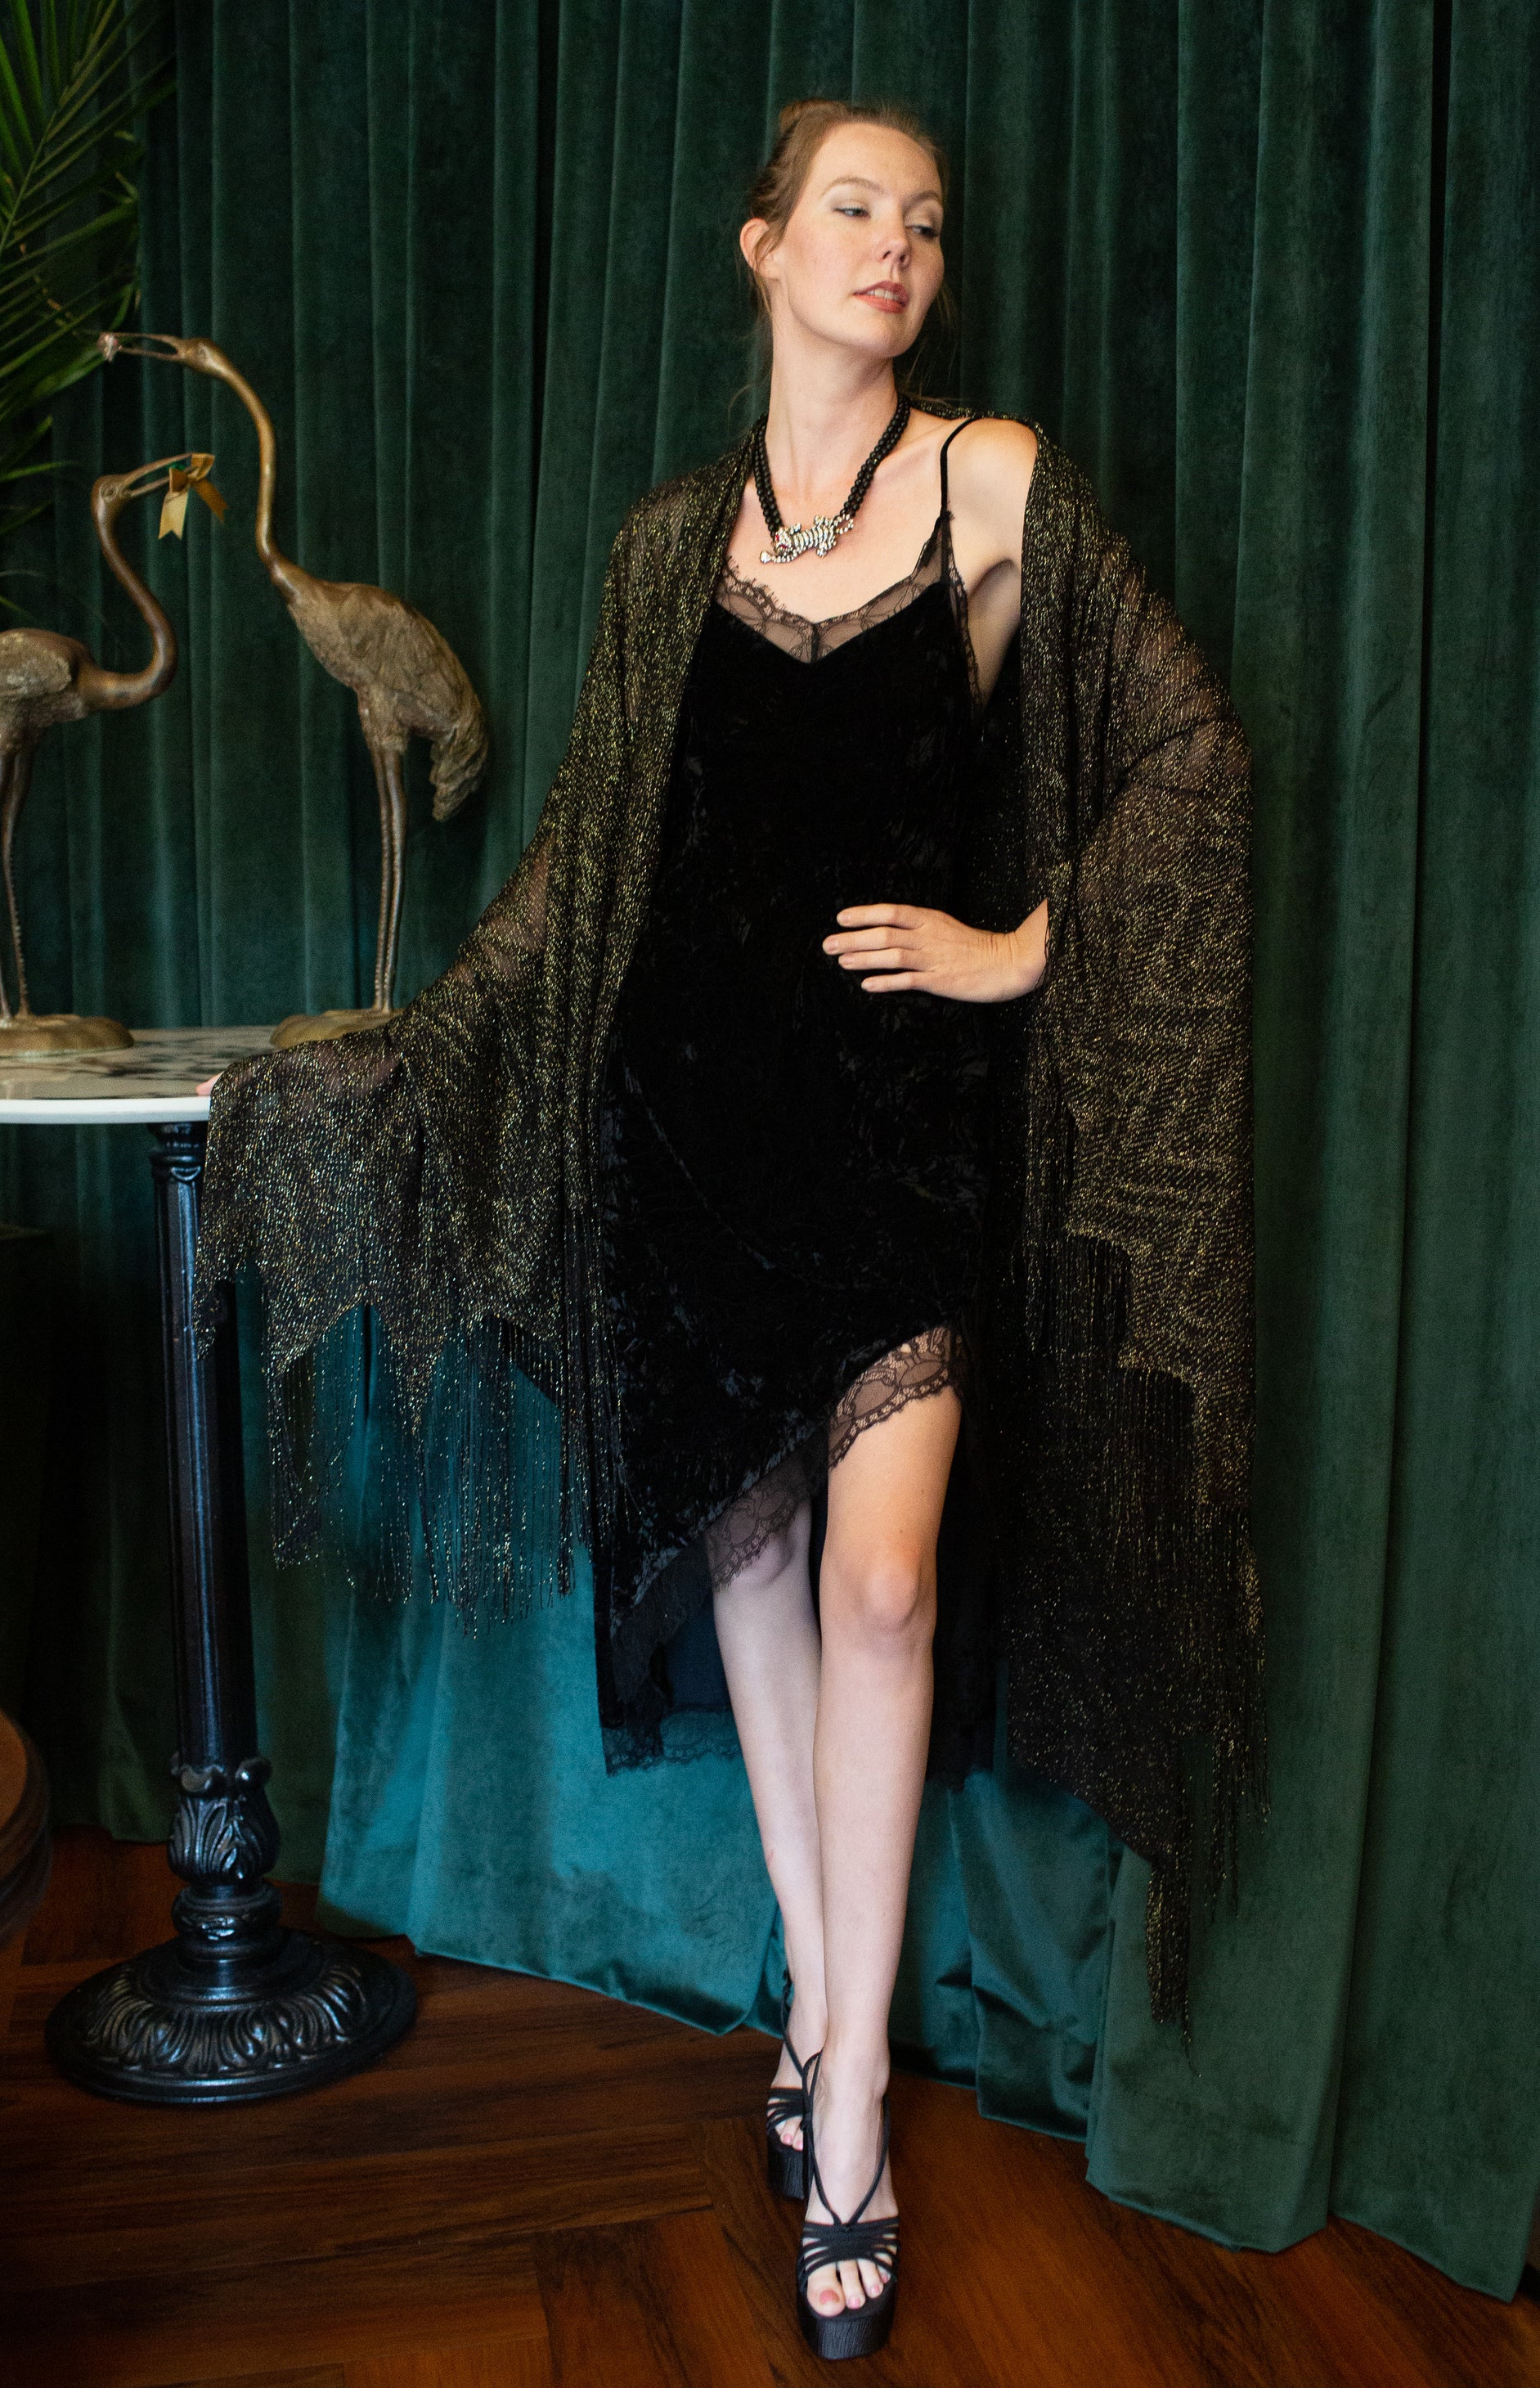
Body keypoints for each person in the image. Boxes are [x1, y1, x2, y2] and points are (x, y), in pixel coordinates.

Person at [197, 98, 1260, 2365]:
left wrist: (1022, 946)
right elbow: (584, 872)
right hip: (685, 1140)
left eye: (925, 223)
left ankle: (844, 2087)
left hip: (900, 1145)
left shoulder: (992, 487)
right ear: (763, 246)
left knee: (883, 1581)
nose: (896, 247)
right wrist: (399, 1054)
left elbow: (1194, 758)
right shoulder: (666, 545)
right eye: (853, 209)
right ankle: (828, 2032)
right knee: (758, 1567)